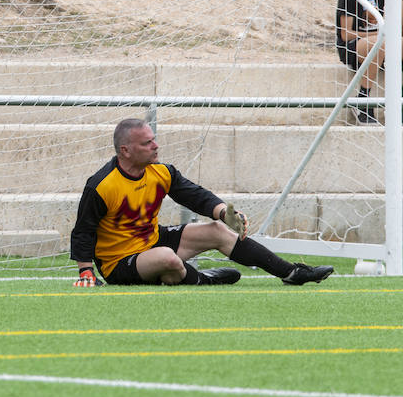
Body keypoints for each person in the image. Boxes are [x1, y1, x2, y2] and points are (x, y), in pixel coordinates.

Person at [70, 118, 334, 287]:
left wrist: (222, 213)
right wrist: (86, 273)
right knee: (167, 258)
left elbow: (193, 195)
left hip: (152, 241)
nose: (156, 145)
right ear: (125, 150)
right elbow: (84, 230)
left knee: (217, 231)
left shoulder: (161, 172)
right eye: (147, 142)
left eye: (154, 139)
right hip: (119, 263)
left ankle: (291, 274)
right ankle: (207, 280)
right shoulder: (102, 185)